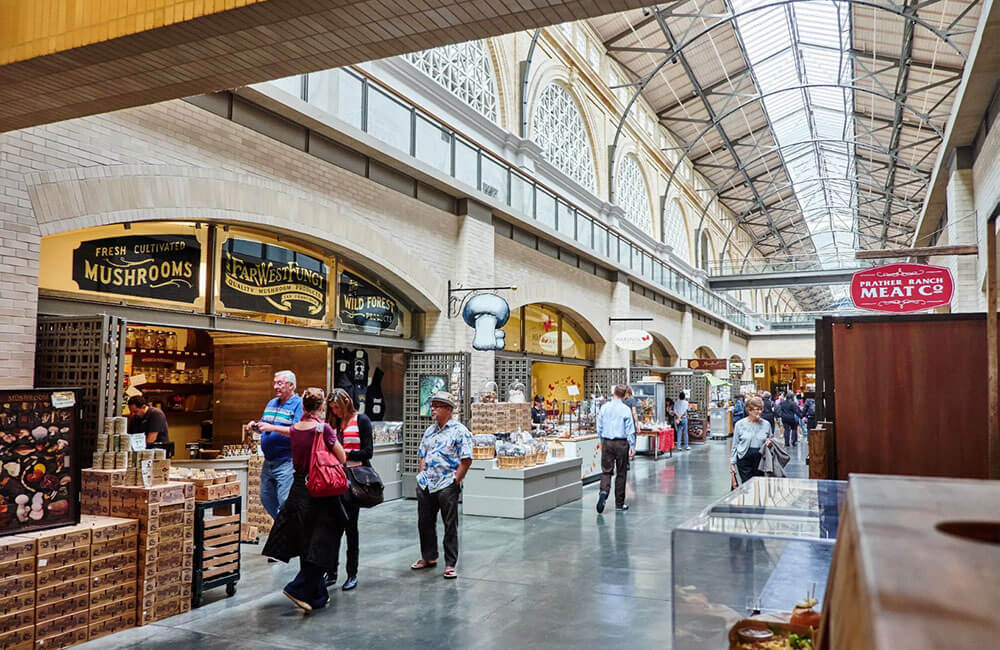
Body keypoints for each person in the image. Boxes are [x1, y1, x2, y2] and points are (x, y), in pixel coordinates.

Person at [262, 387, 347, 612]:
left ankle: (318, 594)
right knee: (327, 536)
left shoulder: (296, 428)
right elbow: (342, 456)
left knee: (307, 539)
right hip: (320, 490)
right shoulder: (323, 428)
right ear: (321, 407)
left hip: (298, 488)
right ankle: (298, 586)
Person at [410, 392, 472, 580]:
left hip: (447, 484)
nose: (433, 409)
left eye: (437, 406)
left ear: (448, 409)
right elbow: (423, 454)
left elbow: (466, 459)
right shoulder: (430, 431)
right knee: (424, 522)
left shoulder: (459, 431)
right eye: (433, 405)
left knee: (449, 524)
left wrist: (455, 481)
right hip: (427, 484)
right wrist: (422, 476)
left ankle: (451, 564)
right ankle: (429, 557)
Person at [327, 387, 373, 592]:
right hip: (334, 478)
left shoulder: (362, 421)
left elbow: (368, 452)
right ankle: (331, 571)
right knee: (332, 527)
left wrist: (344, 453)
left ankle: (351, 573)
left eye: (337, 407)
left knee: (351, 528)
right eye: (332, 408)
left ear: (346, 403)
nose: (335, 411)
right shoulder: (333, 423)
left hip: (353, 479)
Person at [247, 370, 303, 521]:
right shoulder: (272, 403)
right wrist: (255, 425)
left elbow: (297, 431)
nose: (276, 386)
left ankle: (288, 534)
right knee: (266, 498)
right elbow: (265, 423)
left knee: (285, 502)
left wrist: (272, 428)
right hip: (269, 462)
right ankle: (283, 529)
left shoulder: (298, 404)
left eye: (280, 383)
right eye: (275, 383)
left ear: (291, 385)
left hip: (287, 462)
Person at [595, 384, 637, 513]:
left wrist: (602, 440)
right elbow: (630, 429)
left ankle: (603, 492)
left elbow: (599, 426)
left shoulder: (604, 407)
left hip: (607, 442)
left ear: (613, 393)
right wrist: (632, 445)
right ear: (625, 395)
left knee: (606, 471)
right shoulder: (625, 409)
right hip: (621, 444)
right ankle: (619, 503)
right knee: (621, 473)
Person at [730, 396, 773, 486]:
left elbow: (770, 440)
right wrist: (732, 463)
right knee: (747, 485)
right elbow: (735, 444)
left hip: (760, 457)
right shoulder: (739, 424)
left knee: (760, 484)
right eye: (756, 409)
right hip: (744, 456)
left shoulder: (766, 424)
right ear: (749, 410)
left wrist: (769, 443)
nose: (759, 412)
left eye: (761, 409)